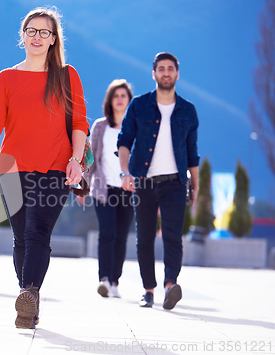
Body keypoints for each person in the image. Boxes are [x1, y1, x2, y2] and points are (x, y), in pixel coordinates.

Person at [0, 6, 89, 328]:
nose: (37, 37)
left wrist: (76, 160)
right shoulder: (7, 77)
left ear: (54, 39)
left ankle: (28, 292)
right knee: (20, 240)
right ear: (22, 37)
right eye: (32, 31)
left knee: (37, 231)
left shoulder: (67, 76)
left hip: (56, 167)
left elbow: (80, 124)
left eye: (45, 32)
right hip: (12, 168)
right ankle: (30, 299)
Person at [117, 52, 199, 310]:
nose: (166, 72)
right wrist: (124, 173)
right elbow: (124, 141)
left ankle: (170, 286)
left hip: (175, 182)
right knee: (144, 238)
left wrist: (194, 185)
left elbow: (192, 151)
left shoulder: (188, 110)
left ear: (177, 73)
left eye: (170, 68)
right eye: (161, 69)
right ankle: (148, 290)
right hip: (143, 180)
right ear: (154, 74)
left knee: (174, 236)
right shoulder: (139, 105)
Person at [84, 80, 134, 299]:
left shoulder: (136, 128)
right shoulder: (100, 126)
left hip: (128, 190)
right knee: (107, 232)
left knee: (121, 236)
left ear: (129, 100)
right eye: (116, 95)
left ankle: (115, 281)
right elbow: (91, 157)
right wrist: (83, 185)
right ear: (110, 100)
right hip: (103, 189)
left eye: (124, 95)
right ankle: (103, 279)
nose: (120, 99)